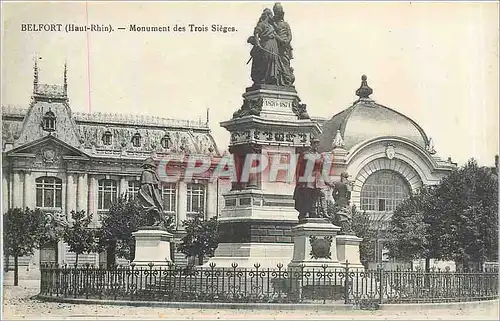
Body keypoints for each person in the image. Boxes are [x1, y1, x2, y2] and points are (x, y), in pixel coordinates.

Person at [293, 138, 326, 221]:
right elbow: (299, 169)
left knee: (314, 197)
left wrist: (326, 181)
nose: (316, 145)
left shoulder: (320, 156)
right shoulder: (305, 154)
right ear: (311, 144)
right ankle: (306, 211)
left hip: (317, 179)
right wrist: (298, 181)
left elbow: (322, 170)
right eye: (315, 143)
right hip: (307, 178)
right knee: (306, 196)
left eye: (318, 144)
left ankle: (312, 212)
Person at [248, 8, 280, 85]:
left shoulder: (271, 25)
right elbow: (256, 33)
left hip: (273, 44)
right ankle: (263, 78)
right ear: (268, 15)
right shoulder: (262, 24)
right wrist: (258, 43)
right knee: (265, 60)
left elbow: (278, 30)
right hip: (266, 43)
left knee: (272, 60)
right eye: (271, 15)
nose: (272, 16)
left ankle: (270, 78)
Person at [138, 157, 164, 227]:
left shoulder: (145, 173)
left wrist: (141, 191)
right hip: (151, 193)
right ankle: (156, 220)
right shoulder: (154, 174)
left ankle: (155, 219)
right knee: (150, 207)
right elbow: (155, 187)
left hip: (146, 191)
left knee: (149, 206)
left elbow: (145, 185)